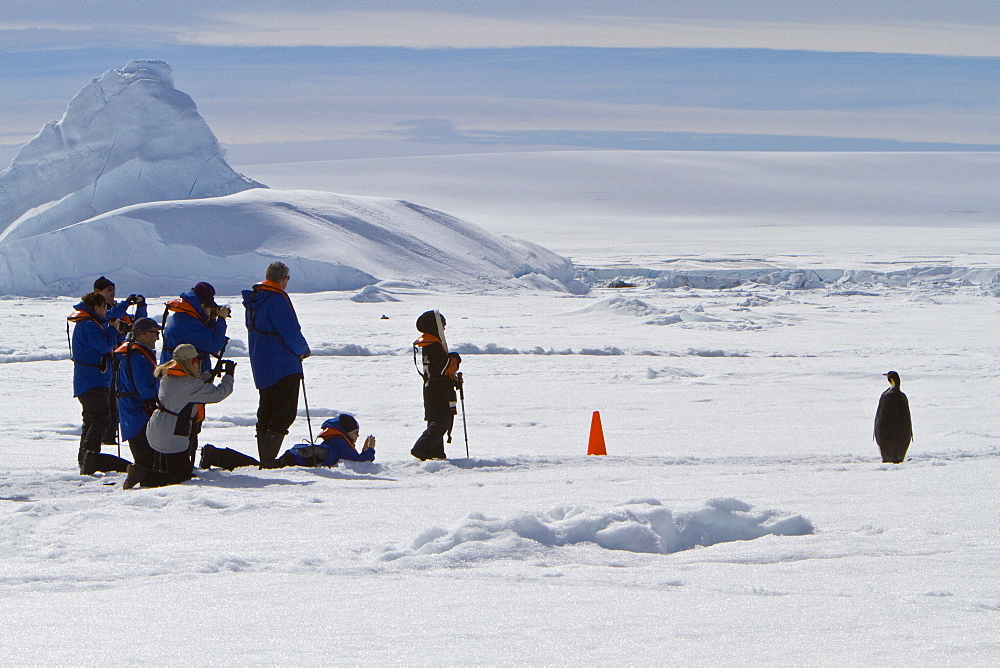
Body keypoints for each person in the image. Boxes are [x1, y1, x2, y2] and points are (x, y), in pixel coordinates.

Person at [124, 344, 235, 489]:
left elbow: (191, 386)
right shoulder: (189, 384)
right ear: (190, 362)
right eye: (197, 360)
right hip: (172, 434)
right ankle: (140, 474)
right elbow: (219, 393)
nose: (198, 363)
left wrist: (211, 373)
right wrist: (229, 376)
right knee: (179, 478)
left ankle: (143, 474)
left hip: (157, 429)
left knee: (167, 471)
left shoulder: (168, 376)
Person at [242, 261, 311, 466]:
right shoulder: (277, 299)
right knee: (284, 412)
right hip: (284, 364)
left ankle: (265, 456)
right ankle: (268, 459)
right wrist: (303, 351)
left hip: (261, 363)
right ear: (284, 279)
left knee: (267, 409)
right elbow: (290, 331)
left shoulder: (255, 298)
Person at [67, 291, 131, 475]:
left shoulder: (91, 323)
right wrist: (113, 330)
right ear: (96, 307)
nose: (106, 311)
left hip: (90, 380)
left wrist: (115, 329)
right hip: (92, 381)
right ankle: (90, 456)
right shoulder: (88, 325)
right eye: (104, 307)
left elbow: (107, 340)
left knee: (91, 419)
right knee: (101, 417)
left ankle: (86, 457)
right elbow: (103, 345)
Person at [200, 415, 375, 471]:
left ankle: (216, 455)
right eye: (355, 433)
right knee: (258, 467)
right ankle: (216, 455)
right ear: (344, 432)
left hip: (294, 456)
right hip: (294, 460)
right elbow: (359, 460)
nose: (357, 437)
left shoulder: (334, 441)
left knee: (257, 466)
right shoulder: (339, 443)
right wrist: (370, 451)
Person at [93, 276, 148, 445]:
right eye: (108, 290)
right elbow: (107, 319)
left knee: (121, 396)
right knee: (111, 396)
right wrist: (125, 304)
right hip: (109, 361)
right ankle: (108, 434)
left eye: (113, 290)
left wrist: (141, 307)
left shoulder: (118, 310)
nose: (112, 293)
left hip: (123, 358)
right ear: (98, 292)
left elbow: (137, 326)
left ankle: (114, 430)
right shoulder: (99, 312)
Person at [410, 310, 462, 461]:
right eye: (443, 325)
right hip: (438, 389)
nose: (444, 329)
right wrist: (455, 358)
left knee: (435, 419)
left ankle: (436, 453)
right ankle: (421, 448)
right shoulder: (433, 345)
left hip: (430, 388)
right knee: (442, 420)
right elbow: (444, 367)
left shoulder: (428, 344)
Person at [114, 317, 161, 469]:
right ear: (144, 334)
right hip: (138, 414)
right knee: (147, 463)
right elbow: (146, 389)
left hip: (131, 413)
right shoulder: (139, 358)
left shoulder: (134, 353)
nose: (157, 338)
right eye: (155, 333)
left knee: (146, 459)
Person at [160, 281, 229, 372]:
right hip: (183, 378)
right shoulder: (187, 322)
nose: (209, 312)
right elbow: (214, 345)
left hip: (180, 376)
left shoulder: (185, 316)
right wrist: (221, 320)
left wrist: (211, 319)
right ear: (202, 305)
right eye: (209, 309)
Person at [874, 370, 913, 464]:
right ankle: (898, 456)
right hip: (902, 434)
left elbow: (878, 419)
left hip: (884, 433)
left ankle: (888, 457)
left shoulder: (885, 397)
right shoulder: (902, 397)